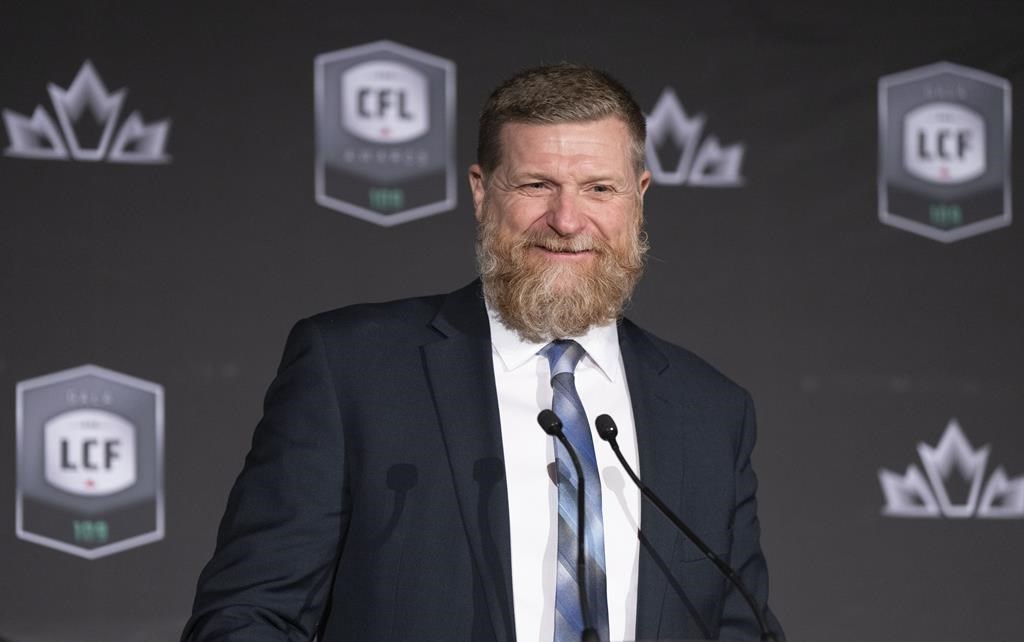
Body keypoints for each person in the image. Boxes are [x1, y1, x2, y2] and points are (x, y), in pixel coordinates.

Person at [183, 63, 784, 641]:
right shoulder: (352, 371)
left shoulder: (709, 411)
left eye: (599, 188)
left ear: (639, 197)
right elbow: (248, 615)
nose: (568, 219)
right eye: (536, 186)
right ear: (481, 191)